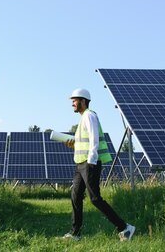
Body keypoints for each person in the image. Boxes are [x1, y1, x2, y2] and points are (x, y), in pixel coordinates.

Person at [62, 88, 136, 242]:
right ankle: (76, 233)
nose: (72, 104)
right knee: (75, 196)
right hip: (80, 163)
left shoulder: (89, 115)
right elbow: (84, 142)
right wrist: (73, 145)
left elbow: (94, 140)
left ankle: (124, 228)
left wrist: (91, 161)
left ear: (83, 101)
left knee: (95, 198)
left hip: (89, 163)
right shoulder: (82, 118)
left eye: (74, 100)